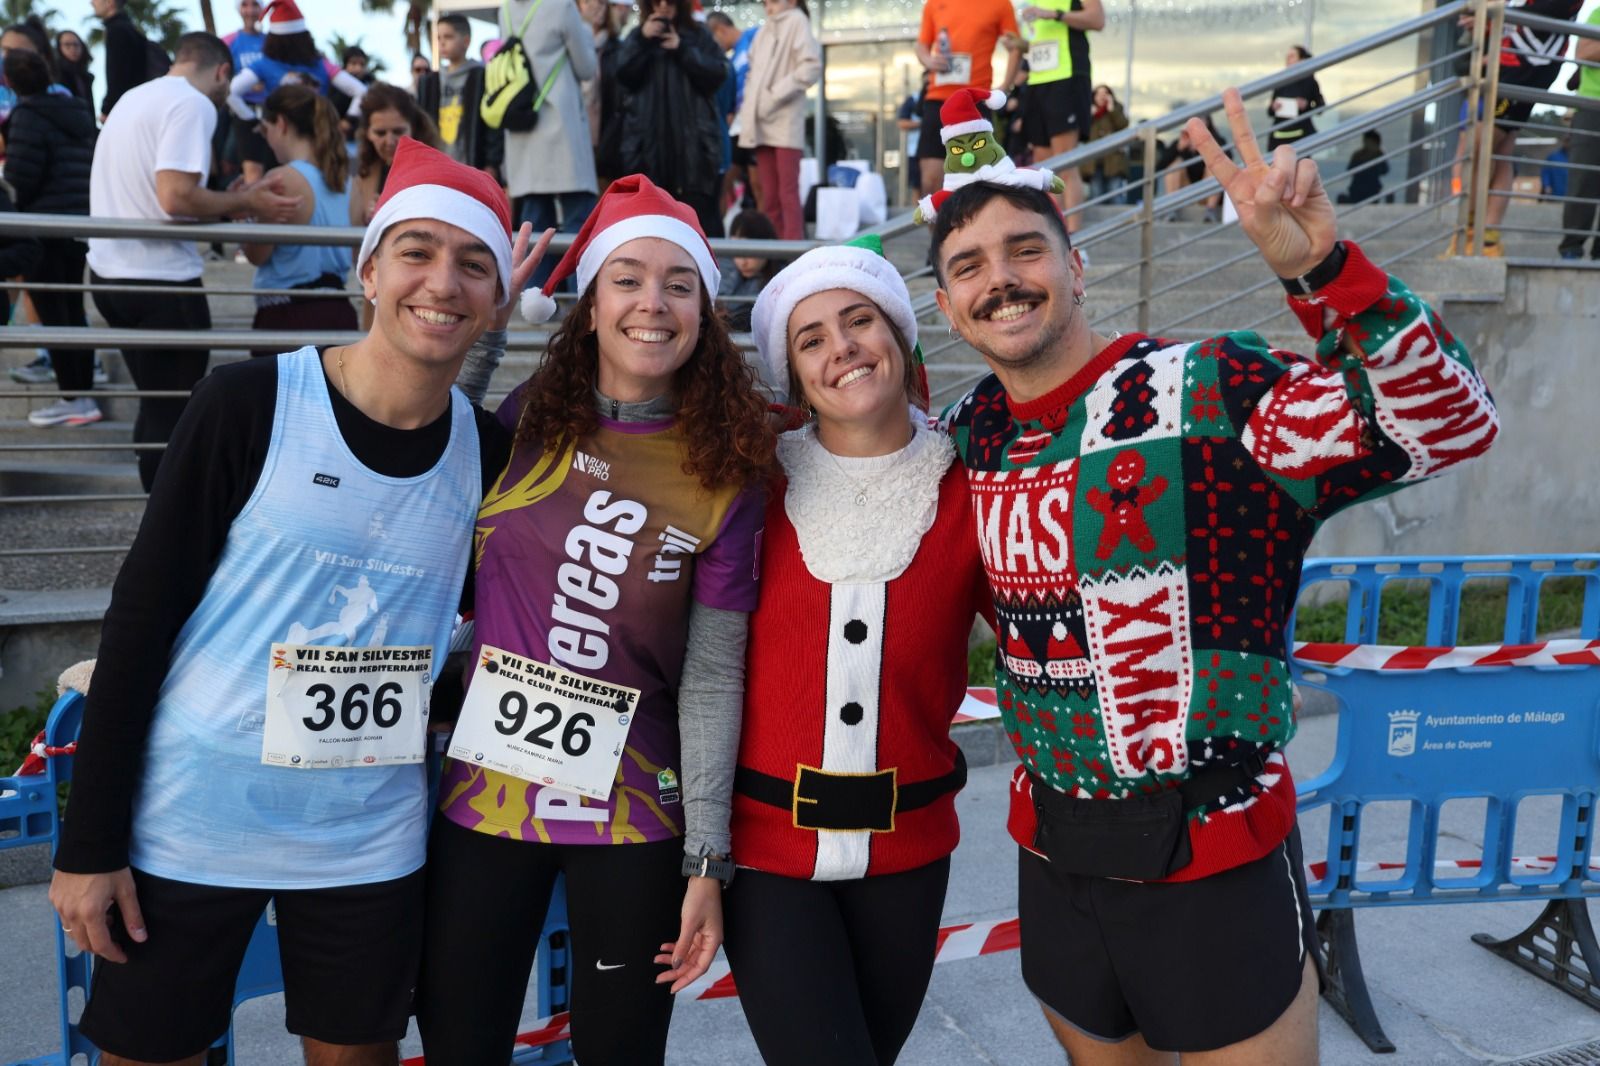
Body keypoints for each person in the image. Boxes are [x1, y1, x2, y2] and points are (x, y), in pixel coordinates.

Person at [930, 87, 1499, 1065]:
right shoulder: (969, 434)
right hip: (1051, 851)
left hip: (1213, 855)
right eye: (968, 266)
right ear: (944, 307)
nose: (1001, 279)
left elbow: (1447, 421)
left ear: (1078, 262)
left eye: (1025, 248)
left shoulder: (1212, 391)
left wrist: (1317, 267)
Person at [49, 135, 544, 1066]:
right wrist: (89, 844)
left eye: (474, 264)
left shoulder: (489, 455)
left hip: (367, 843)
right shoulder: (248, 403)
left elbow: (485, 629)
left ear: (497, 301)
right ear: (368, 270)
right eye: (418, 252)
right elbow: (141, 622)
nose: (443, 282)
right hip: (192, 822)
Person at [416, 173, 773, 1066]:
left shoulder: (727, 466)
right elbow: (429, 435)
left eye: (678, 284)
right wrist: (487, 339)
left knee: (621, 1050)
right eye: (627, 278)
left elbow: (715, 674)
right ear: (588, 303)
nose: (652, 303)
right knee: (460, 1040)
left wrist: (708, 859)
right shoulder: (521, 417)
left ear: (703, 310)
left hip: (635, 816)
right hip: (485, 799)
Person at [723, 236, 988, 1066]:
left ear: (900, 337)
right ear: (793, 372)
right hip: (765, 853)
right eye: (811, 338)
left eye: (859, 320)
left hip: (911, 852)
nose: (841, 347)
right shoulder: (748, 478)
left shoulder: (972, 481)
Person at [86, 32, 301, 491]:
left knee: (156, 405)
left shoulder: (135, 97)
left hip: (108, 275)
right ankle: (168, 529)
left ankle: (158, 521)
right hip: (159, 282)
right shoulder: (193, 104)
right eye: (228, 84)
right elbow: (174, 197)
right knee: (175, 413)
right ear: (222, 71)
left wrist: (232, 199)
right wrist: (250, 207)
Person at [4, 49, 99, 429]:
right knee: (72, 309)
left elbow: (22, 179)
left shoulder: (27, 116)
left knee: (55, 314)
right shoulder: (76, 110)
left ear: (10, 83)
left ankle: (74, 397)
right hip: (79, 224)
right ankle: (82, 392)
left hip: (43, 229)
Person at [1453, 0, 1584, 256]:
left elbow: (1557, 8)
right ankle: (1484, 238)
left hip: (1524, 70)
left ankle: (1475, 234)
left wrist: (1492, 13)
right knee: (1496, 150)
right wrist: (1484, 22)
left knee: (1481, 147)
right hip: (1504, 69)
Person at [241, 85, 357, 360]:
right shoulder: (349, 182)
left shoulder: (282, 179)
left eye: (266, 130)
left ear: (280, 123)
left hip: (288, 317)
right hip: (339, 312)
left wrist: (247, 206)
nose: (267, 141)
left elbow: (256, 254)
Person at [614, 0, 731, 237]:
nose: (664, 6)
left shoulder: (699, 36)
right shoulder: (637, 38)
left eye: (670, 0)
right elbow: (622, 76)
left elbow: (718, 73)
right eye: (657, 1)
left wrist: (683, 50)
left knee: (699, 231)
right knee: (650, 231)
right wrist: (643, 41)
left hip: (694, 157)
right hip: (648, 154)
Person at [500, 0, 599, 276]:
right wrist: (587, 27)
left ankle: (536, 302)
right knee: (579, 222)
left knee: (533, 228)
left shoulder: (505, 9)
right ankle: (579, 299)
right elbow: (586, 67)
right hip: (560, 127)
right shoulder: (561, 6)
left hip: (522, 129)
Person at [914, 0, 1023, 208]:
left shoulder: (1000, 4)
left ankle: (971, 233)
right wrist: (928, 60)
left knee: (978, 178)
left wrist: (1004, 87)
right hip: (937, 98)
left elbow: (1016, 46)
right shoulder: (933, 4)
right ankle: (940, 238)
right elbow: (921, 45)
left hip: (975, 101)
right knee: (930, 179)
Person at [735, 0, 820, 241]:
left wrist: (774, 95)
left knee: (786, 193)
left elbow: (811, 67)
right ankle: (774, 257)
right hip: (761, 122)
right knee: (769, 194)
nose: (768, 5)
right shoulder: (764, 29)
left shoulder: (797, 21)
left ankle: (792, 254)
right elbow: (752, 75)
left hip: (784, 121)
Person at [1018, 0, 1103, 237]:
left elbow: (1097, 20)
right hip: (1037, 81)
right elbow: (1037, 41)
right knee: (1044, 166)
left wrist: (1054, 14)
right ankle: (1052, 232)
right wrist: (1017, 44)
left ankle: (1075, 235)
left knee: (1065, 160)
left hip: (1067, 77)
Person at [225, 0, 367, 132]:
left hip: (283, 142)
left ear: (273, 40)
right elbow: (361, 91)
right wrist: (349, 120)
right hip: (317, 139)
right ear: (305, 37)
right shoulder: (321, 64)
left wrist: (255, 122)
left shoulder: (264, 64)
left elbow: (230, 92)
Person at [415, 14, 504, 182]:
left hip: (472, 165)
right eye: (438, 37)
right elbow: (421, 124)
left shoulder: (481, 76)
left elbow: (493, 124)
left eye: (448, 37)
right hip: (437, 167)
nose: (441, 42)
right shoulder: (429, 82)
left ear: (466, 41)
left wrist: (492, 162)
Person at [349, 83, 440, 227]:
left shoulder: (436, 176)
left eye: (398, 132)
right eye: (380, 133)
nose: (389, 141)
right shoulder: (362, 175)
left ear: (414, 129)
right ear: (367, 133)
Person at [707, 10, 760, 210]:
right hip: (738, 127)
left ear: (720, 30)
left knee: (758, 185)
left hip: (755, 123)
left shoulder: (756, 36)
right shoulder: (733, 57)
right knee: (728, 183)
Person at [1560, 7, 1600, 260]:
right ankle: (1572, 247)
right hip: (1592, 104)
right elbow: (1583, 53)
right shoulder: (1598, 13)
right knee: (1583, 178)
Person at [223, 0, 271, 185]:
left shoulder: (271, 42)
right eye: (245, 5)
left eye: (255, 5)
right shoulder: (229, 41)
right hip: (240, 110)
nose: (250, 10)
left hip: (269, 110)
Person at [94, 0, 167, 118]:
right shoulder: (128, 27)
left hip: (129, 106)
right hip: (141, 102)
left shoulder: (117, 29)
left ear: (109, 3)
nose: (91, 3)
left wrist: (108, 108)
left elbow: (117, 73)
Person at [716, 208, 778, 331]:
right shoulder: (724, 272)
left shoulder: (779, 284)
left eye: (749, 252)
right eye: (737, 252)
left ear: (767, 246)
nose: (743, 262)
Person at [1266, 45, 1325, 152]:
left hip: (1300, 137)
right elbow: (1270, 112)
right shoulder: (1280, 80)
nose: (1288, 59)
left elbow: (1321, 107)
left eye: (1292, 56)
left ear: (1302, 60)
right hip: (1279, 137)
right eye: (1287, 56)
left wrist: (1306, 105)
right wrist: (1273, 107)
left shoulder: (1310, 81)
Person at [1080, 82, 1129, 202]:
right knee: (1096, 194)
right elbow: (1080, 132)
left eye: (1106, 93)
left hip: (1113, 161)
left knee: (1115, 192)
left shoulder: (1116, 109)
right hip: (1093, 161)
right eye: (1099, 93)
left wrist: (1112, 110)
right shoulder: (1088, 111)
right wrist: (1089, 115)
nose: (1102, 96)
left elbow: (1123, 125)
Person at [1338, 129, 1388, 204]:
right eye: (1366, 141)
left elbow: (1385, 170)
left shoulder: (1379, 154)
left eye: (1370, 141)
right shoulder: (1358, 155)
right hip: (1357, 188)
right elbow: (1351, 169)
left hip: (1372, 189)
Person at [55, 29, 94, 104]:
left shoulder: (86, 77)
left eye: (76, 45)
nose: (73, 48)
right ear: (59, 47)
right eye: (67, 45)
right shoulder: (54, 75)